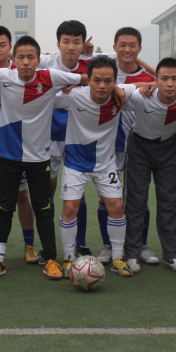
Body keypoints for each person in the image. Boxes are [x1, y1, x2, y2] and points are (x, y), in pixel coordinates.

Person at [0, 35, 86, 281]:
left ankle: (50, 259)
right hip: (9, 157)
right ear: (14, 59)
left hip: (39, 159)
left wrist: (114, 87)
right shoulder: (4, 77)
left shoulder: (51, 77)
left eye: (31, 57)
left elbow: (86, 78)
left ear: (39, 60)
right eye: (20, 57)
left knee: (43, 209)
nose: (26, 62)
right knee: (3, 208)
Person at [122, 58, 176, 274]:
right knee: (136, 202)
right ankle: (131, 254)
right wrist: (140, 85)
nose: (169, 84)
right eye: (164, 79)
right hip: (139, 148)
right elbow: (115, 91)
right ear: (156, 80)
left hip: (168, 149)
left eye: (175, 79)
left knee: (169, 202)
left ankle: (172, 254)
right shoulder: (142, 96)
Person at [55, 56, 135, 277]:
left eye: (108, 81)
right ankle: (68, 258)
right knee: (70, 208)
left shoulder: (121, 95)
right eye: (96, 80)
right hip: (75, 163)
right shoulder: (74, 97)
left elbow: (144, 86)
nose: (102, 86)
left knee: (116, 207)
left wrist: (120, 89)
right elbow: (46, 96)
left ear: (115, 82)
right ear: (88, 80)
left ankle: (117, 258)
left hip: (105, 163)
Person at [97, 27, 158, 266]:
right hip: (109, 144)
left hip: (137, 145)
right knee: (106, 198)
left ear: (140, 48)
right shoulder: (106, 73)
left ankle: (140, 245)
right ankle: (108, 246)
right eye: (122, 45)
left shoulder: (149, 79)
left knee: (138, 198)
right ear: (114, 48)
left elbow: (169, 80)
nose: (127, 49)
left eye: (133, 45)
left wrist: (151, 77)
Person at [0, 26, 39, 264]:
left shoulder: (21, 70)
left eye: (2, 44)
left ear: (10, 47)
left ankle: (29, 245)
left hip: (14, 145)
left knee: (22, 196)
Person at [43, 20, 95, 257]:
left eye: (76, 42)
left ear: (83, 45)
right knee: (49, 187)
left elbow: (123, 58)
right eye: (66, 41)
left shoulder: (91, 64)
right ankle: (49, 245)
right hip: (50, 133)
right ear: (58, 44)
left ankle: (79, 242)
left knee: (78, 190)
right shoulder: (46, 62)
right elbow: (14, 58)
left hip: (77, 134)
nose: (71, 47)